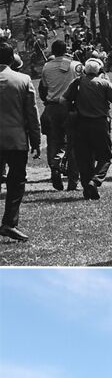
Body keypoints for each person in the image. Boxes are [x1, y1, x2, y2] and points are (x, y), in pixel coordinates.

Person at [61, 58, 112, 199]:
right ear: (99, 71)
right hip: (100, 124)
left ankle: (86, 188)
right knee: (105, 157)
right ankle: (94, 181)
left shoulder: (77, 82)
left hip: (80, 125)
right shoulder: (104, 83)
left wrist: (72, 108)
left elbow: (63, 100)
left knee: (84, 158)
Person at [0, 41, 41, 241]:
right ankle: (9, 223)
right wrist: (36, 141)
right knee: (16, 182)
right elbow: (32, 114)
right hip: (16, 139)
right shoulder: (23, 79)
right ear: (11, 59)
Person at [38, 39, 81, 190]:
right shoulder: (75, 65)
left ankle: (54, 168)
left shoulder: (46, 67)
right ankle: (73, 181)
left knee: (53, 142)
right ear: (66, 50)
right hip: (70, 108)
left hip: (51, 107)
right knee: (73, 144)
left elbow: (43, 89)